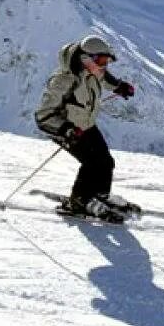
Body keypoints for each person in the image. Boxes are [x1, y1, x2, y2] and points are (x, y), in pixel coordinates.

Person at [35, 34, 136, 220]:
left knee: (106, 162)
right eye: (101, 60)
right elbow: (44, 115)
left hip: (86, 125)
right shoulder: (64, 80)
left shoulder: (92, 71)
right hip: (68, 130)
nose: (104, 65)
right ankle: (79, 202)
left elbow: (105, 78)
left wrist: (119, 87)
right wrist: (66, 130)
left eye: (106, 60)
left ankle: (100, 196)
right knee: (91, 163)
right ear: (86, 58)